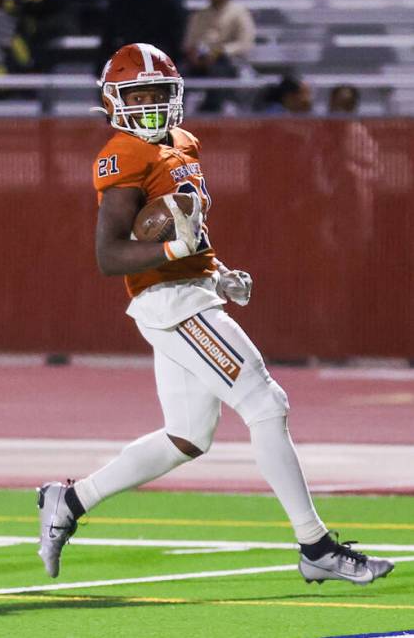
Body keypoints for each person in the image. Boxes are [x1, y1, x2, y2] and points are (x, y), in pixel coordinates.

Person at [36, 42, 394, 586]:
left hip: (193, 290)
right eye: (140, 95)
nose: (152, 105)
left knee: (186, 437)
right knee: (266, 402)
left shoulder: (184, 142)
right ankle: (315, 546)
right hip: (169, 301)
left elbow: (190, 232)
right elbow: (109, 255)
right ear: (114, 100)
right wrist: (176, 255)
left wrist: (215, 269)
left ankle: (70, 500)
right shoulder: (124, 153)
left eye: (160, 93)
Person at [181, 0, 255, 113]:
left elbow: (245, 43)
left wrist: (221, 51)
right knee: (178, 74)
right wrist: (194, 54)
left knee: (218, 71)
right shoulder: (200, 15)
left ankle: (211, 111)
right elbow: (189, 42)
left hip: (227, 61)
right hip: (199, 61)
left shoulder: (239, 12)